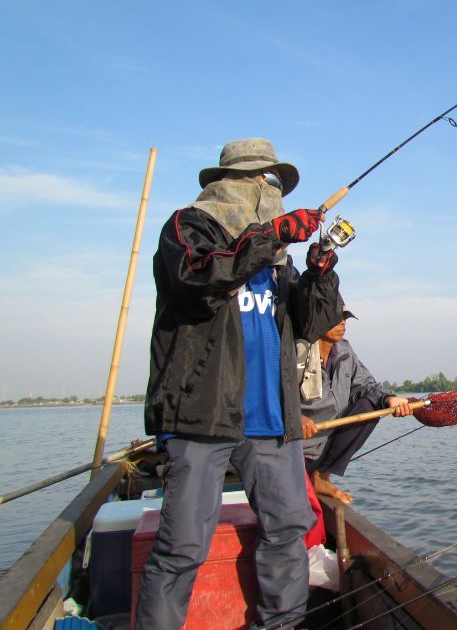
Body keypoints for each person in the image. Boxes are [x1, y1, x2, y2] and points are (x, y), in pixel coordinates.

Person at [136, 137, 342, 630]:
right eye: (264, 180)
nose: (272, 190)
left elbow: (312, 322)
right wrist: (270, 238)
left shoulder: (277, 258)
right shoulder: (188, 227)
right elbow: (197, 278)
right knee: (184, 542)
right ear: (233, 183)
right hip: (202, 412)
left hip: (270, 417)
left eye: (276, 183)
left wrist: (319, 274)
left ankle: (281, 623)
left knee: (290, 527)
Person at [298, 308, 413, 504]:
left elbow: (366, 386)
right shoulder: (298, 351)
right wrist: (293, 416)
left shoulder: (345, 350)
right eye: (337, 319)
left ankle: (322, 475)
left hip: (329, 445)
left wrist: (389, 399)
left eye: (345, 319)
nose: (343, 324)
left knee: (370, 405)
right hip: (299, 448)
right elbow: (275, 393)